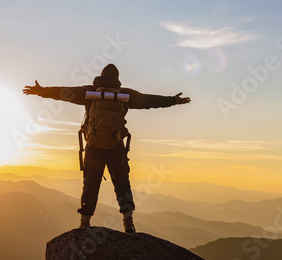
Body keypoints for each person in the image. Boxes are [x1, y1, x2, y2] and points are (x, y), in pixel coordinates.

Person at [23, 64, 190, 233]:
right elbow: (150, 101)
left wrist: (41, 90)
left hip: (94, 148)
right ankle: (128, 221)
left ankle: (84, 222)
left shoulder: (89, 92)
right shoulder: (125, 95)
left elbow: (64, 93)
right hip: (115, 147)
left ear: (101, 76)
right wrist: (173, 100)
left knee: (90, 186)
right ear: (117, 78)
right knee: (122, 184)